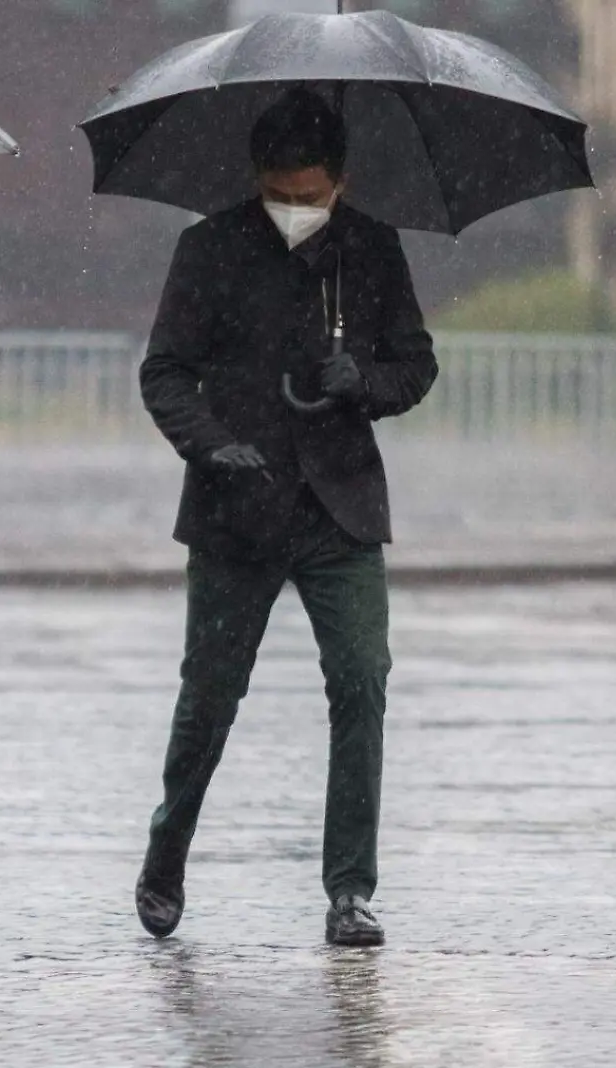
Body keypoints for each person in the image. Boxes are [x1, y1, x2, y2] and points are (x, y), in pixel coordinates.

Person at [132, 88, 438, 947]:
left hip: (339, 510)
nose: (295, 212)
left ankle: (350, 889)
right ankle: (167, 853)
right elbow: (164, 372)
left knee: (361, 682)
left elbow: (416, 366)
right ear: (258, 179)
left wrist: (365, 385)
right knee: (210, 696)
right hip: (237, 507)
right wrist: (211, 445)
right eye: (280, 195)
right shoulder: (210, 248)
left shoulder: (372, 251)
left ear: (339, 182)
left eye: (311, 197)